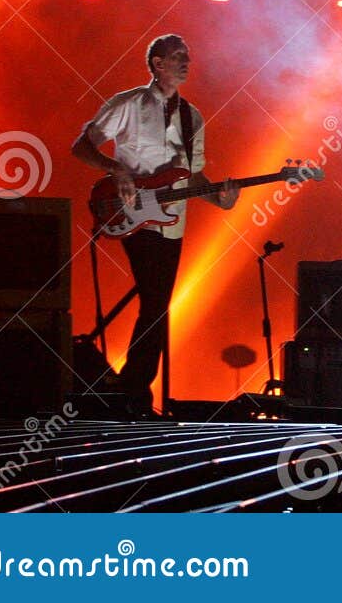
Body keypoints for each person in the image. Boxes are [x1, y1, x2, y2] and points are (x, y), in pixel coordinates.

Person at [71, 33, 240, 415]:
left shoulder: (191, 116)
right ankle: (134, 392)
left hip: (172, 221)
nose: (186, 63)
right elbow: (82, 146)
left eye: (188, 57)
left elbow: (192, 176)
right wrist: (116, 169)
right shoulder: (128, 103)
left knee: (157, 303)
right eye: (178, 56)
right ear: (157, 64)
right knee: (156, 303)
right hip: (131, 213)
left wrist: (220, 199)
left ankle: (130, 392)